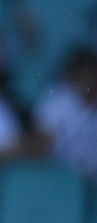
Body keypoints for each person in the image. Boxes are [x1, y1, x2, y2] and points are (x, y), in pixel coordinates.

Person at [32, 45, 97, 178]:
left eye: (92, 74)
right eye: (83, 75)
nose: (88, 80)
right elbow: (41, 145)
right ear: (72, 76)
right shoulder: (57, 101)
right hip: (61, 177)